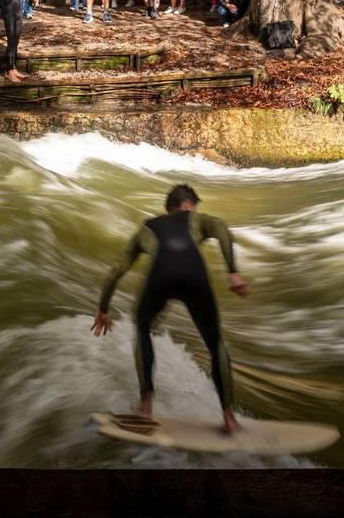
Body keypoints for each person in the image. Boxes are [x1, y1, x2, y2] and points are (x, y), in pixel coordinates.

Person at [91, 184, 248, 434]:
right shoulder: (197, 219)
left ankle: (145, 407)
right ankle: (229, 418)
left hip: (160, 279)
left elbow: (116, 271)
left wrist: (103, 309)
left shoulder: (147, 228)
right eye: (194, 207)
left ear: (169, 208)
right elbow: (222, 229)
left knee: (142, 328)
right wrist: (233, 271)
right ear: (188, 205)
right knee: (215, 344)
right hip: (194, 277)